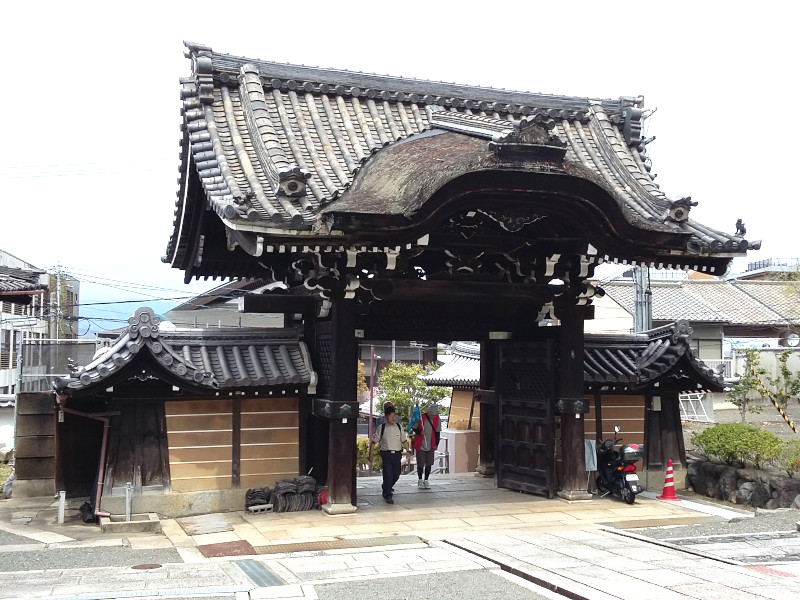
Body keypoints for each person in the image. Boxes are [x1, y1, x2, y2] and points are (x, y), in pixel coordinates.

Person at [371, 403, 409, 504]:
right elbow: (373, 442)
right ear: (386, 417)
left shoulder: (399, 427)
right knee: (388, 474)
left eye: (394, 416)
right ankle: (388, 495)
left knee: (396, 474)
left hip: (397, 454)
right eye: (390, 416)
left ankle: (386, 486)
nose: (393, 418)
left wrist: (408, 451)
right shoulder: (381, 428)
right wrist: (370, 454)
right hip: (386, 454)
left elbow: (404, 440)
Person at [412, 404, 441, 489]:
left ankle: (426, 480)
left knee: (429, 463)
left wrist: (436, 444)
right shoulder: (421, 418)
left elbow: (437, 432)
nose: (433, 417)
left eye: (435, 415)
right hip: (421, 444)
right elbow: (414, 427)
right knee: (420, 463)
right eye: (432, 415)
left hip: (431, 443)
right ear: (428, 413)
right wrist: (419, 432)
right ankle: (420, 479)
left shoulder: (437, 419)